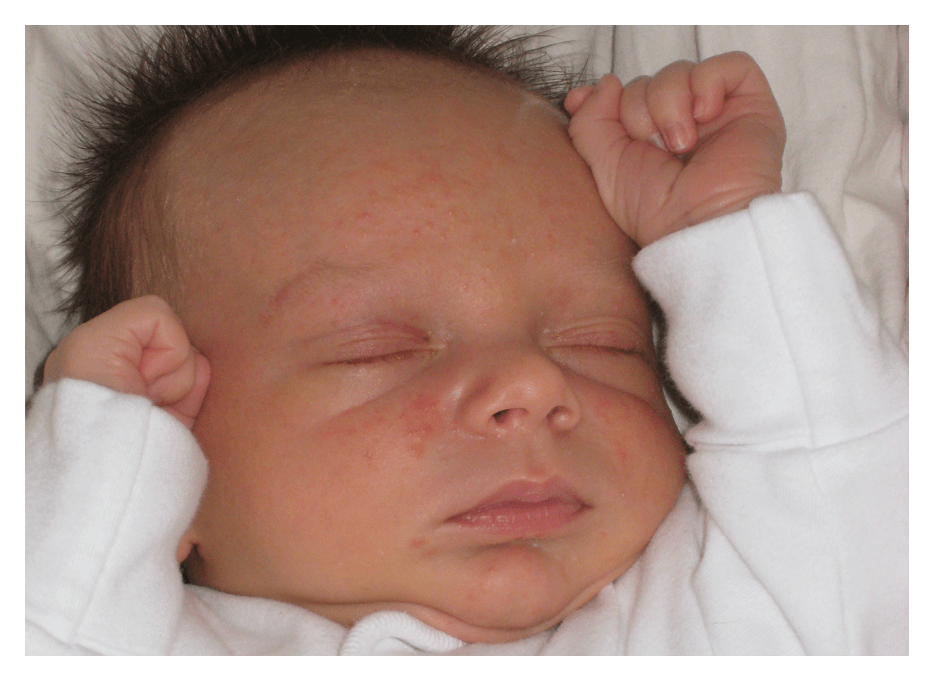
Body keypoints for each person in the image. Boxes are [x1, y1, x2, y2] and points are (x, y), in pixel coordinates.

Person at [26, 26, 907, 654]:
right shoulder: (125, 643)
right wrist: (95, 463)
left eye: (602, 342)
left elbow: (847, 511)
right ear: (172, 449)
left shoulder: (714, 607)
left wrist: (723, 229)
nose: (530, 382)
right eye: (374, 346)